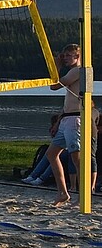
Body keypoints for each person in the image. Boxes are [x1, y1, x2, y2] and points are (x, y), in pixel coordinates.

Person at [44, 44, 85, 206]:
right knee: (51, 154)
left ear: (78, 56)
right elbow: (67, 102)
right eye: (65, 55)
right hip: (67, 118)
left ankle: (83, 196)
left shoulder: (77, 71)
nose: (66, 58)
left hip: (75, 120)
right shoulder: (73, 71)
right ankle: (63, 193)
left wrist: (57, 65)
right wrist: (59, 121)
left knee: (77, 159)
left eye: (69, 55)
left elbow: (54, 86)